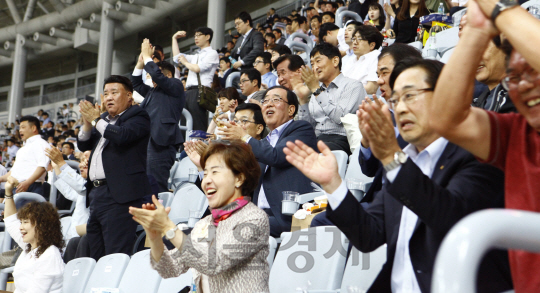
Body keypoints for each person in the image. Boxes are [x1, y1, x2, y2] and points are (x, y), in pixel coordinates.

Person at [284, 58, 513, 293]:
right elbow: (368, 235)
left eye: (411, 96)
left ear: (447, 96)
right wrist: (332, 183)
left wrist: (392, 157)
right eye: (395, 99)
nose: (400, 108)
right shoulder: (403, 163)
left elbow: (451, 220)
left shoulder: (477, 155)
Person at [429, 2, 540, 291]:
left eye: (532, 69)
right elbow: (445, 119)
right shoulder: (517, 133)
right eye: (513, 77)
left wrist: (500, 9)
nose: (524, 85)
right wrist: (476, 32)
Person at [130, 141, 270, 293]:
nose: (206, 180)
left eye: (215, 172)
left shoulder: (254, 218)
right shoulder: (203, 224)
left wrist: (168, 227)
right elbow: (169, 269)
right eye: (205, 174)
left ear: (239, 179)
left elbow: (214, 263)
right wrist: (155, 235)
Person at [219, 86, 318, 237]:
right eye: (265, 101)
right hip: (259, 213)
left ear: (291, 110)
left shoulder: (301, 130)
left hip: (287, 215)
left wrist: (244, 137)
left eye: (276, 100)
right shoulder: (264, 143)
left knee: (233, 230)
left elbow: (276, 156)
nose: (269, 104)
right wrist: (202, 166)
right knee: (215, 225)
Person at [77, 75, 151, 261]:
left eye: (114, 93)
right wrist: (87, 124)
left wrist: (96, 121)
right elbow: (83, 145)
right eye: (105, 93)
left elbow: (122, 136)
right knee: (96, 253)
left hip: (120, 195)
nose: (108, 97)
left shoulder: (138, 116)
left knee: (115, 254)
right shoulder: (101, 120)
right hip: (96, 194)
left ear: (129, 96)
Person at [133, 39, 185, 192]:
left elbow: (158, 76)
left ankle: (159, 213)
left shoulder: (175, 84)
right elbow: (135, 83)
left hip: (161, 143)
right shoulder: (152, 92)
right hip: (146, 142)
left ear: (167, 74)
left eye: (155, 73)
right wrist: (140, 62)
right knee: (144, 183)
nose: (150, 77)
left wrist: (149, 57)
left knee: (155, 184)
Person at [298, 43, 367, 154]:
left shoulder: (353, 85)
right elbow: (308, 127)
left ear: (335, 61)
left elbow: (339, 117)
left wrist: (316, 90)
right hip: (317, 140)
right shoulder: (316, 89)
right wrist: (302, 100)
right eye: (312, 63)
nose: (315, 67)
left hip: (341, 140)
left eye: (318, 61)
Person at [4, 176, 64, 293]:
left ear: (42, 225)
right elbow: (11, 220)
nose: (20, 227)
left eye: (25, 222)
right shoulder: (30, 248)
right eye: (21, 222)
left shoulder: (50, 255)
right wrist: (8, 192)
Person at [172, 27, 219, 132]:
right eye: (195, 36)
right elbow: (177, 57)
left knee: (198, 124)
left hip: (200, 91)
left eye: (199, 35)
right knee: (184, 124)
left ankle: (200, 146)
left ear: (207, 37)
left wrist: (184, 62)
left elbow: (197, 68)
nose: (196, 38)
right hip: (188, 91)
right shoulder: (196, 55)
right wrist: (174, 38)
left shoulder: (212, 53)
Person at [46, 147, 90, 240]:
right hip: (75, 236)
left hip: (86, 237)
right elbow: (69, 192)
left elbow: (82, 187)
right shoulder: (85, 186)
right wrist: (56, 167)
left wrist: (61, 163)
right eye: (81, 161)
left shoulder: (98, 186)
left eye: (85, 160)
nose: (80, 165)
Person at [0, 116, 50, 197]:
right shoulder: (22, 149)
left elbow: (42, 166)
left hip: (31, 186)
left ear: (33, 128)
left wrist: (27, 183)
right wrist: (1, 179)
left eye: (23, 127)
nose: (20, 130)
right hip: (17, 186)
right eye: (19, 128)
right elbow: (13, 172)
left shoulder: (41, 143)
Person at [471, 36, 516, 113]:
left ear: (505, 49)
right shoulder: (475, 106)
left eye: (482, 48)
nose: (474, 58)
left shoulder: (522, 93)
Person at [342, 26, 383, 94]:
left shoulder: (376, 57)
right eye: (354, 38)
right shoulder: (352, 59)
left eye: (359, 39)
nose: (355, 42)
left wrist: (345, 91)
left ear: (372, 45)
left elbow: (371, 89)